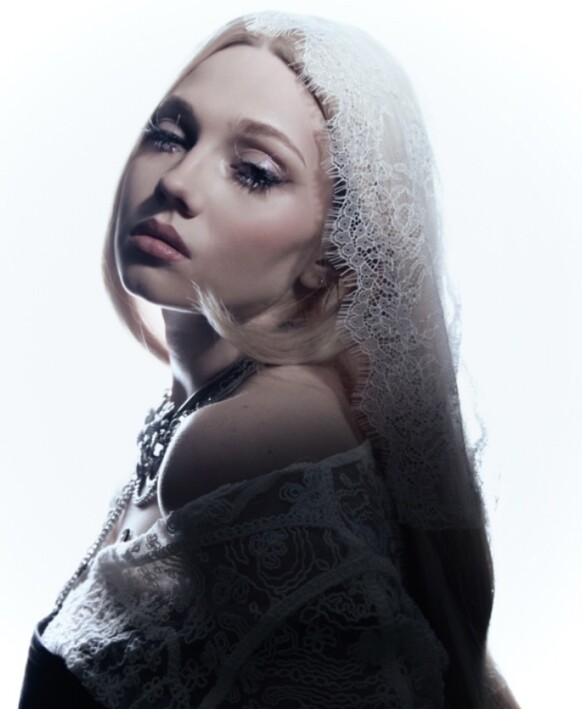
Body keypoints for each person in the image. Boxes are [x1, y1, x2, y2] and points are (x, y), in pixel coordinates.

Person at [19, 11, 519, 709]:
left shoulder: (243, 441)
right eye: (169, 135)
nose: (178, 181)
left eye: (254, 172)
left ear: (328, 257)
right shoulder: (224, 409)